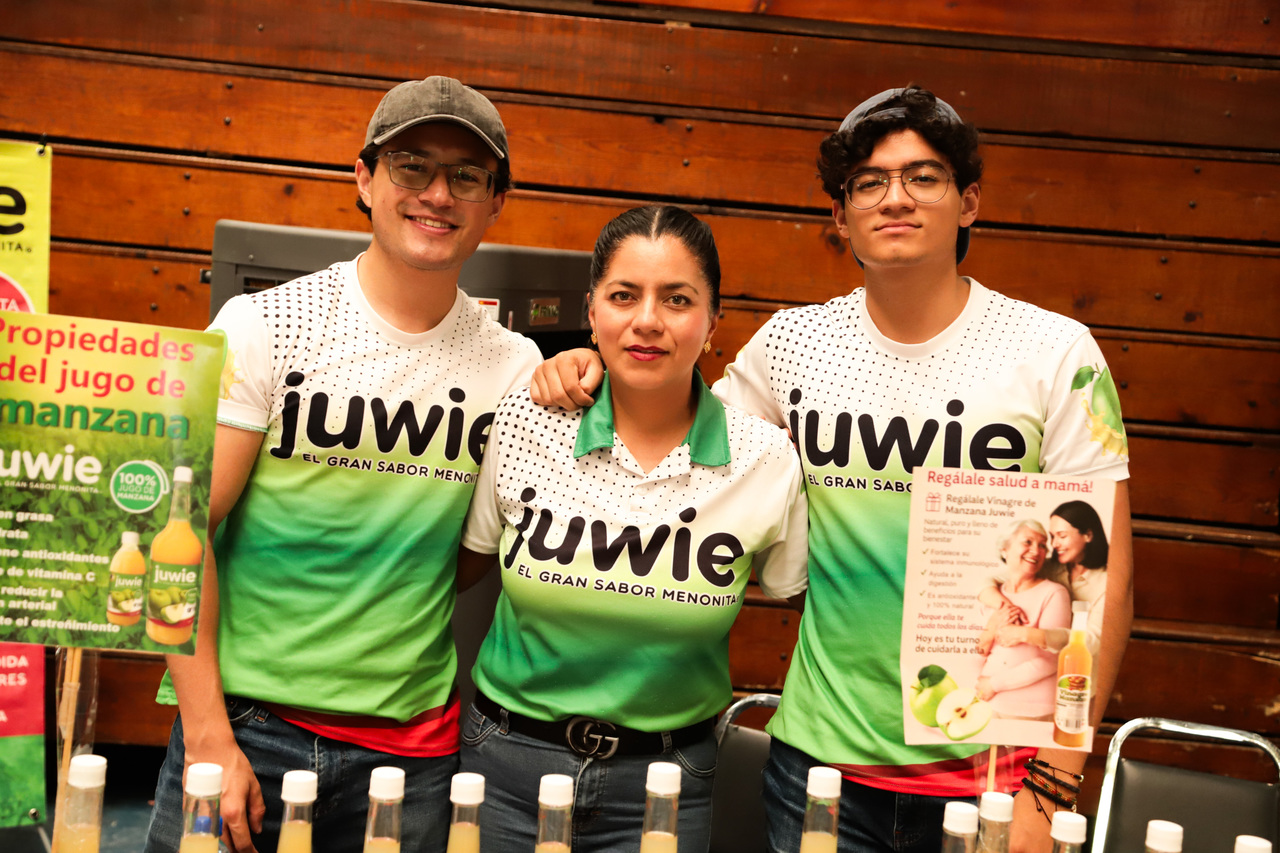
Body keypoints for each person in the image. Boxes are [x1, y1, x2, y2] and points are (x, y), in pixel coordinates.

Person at [530, 85, 1134, 853]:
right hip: (819, 773)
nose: (896, 197)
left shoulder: (1054, 352)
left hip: (995, 774)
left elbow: (1103, 586)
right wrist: (587, 365)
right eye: (869, 182)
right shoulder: (794, 346)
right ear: (842, 217)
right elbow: (676, 435)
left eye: (923, 177)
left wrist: (1051, 784)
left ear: (969, 201)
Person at [144, 76, 543, 853]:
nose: (438, 194)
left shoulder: (514, 366)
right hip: (246, 731)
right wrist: (209, 735)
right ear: (363, 178)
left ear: (496, 201)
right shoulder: (263, 324)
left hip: (410, 756)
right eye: (412, 166)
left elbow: (468, 557)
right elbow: (175, 530)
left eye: (466, 175)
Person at [457, 205, 808, 853]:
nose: (648, 319)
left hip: (668, 784)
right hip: (506, 768)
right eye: (624, 296)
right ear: (592, 312)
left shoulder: (765, 459)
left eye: (677, 299)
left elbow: (805, 598)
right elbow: (465, 563)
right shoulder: (526, 421)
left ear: (712, 322)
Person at [985, 501, 1110, 656]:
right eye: (1052, 537)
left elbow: (1093, 640)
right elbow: (989, 581)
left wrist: (1028, 634)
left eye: (1062, 536)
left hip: (1080, 666)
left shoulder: (1107, 583)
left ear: (1088, 535)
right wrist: (1007, 607)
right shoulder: (1047, 567)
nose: (1054, 544)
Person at [974, 521, 1070, 720]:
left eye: (1042, 545)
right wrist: (991, 629)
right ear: (1005, 549)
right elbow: (977, 651)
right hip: (985, 703)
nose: (1036, 550)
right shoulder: (991, 596)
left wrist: (994, 684)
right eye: (1028, 542)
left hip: (1030, 708)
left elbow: (1053, 660)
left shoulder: (1053, 593)